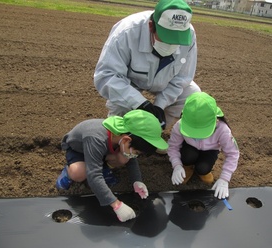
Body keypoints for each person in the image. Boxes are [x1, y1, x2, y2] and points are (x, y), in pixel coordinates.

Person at [94, 0, 200, 131]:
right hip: (130, 81)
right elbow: (107, 75)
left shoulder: (189, 35)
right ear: (151, 26)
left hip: (165, 81)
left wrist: (159, 106)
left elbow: (182, 78)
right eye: (166, 37)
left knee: (192, 95)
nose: (171, 45)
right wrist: (140, 103)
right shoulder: (127, 32)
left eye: (177, 40)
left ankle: (156, 130)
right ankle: (121, 133)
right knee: (121, 109)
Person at [55, 110, 168, 222]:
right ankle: (68, 173)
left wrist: (137, 181)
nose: (136, 155)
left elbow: (131, 158)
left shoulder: (123, 135)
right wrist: (116, 205)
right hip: (80, 151)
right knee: (79, 172)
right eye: (137, 152)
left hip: (103, 151)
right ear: (126, 140)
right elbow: (94, 176)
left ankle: (103, 168)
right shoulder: (96, 138)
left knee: (124, 157)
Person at [167, 92, 240, 199]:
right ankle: (187, 167)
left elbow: (233, 154)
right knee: (187, 156)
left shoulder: (223, 130)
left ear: (215, 120)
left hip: (210, 150)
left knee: (203, 168)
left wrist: (224, 178)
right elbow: (173, 146)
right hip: (189, 148)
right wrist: (177, 165)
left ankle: (201, 171)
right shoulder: (179, 125)